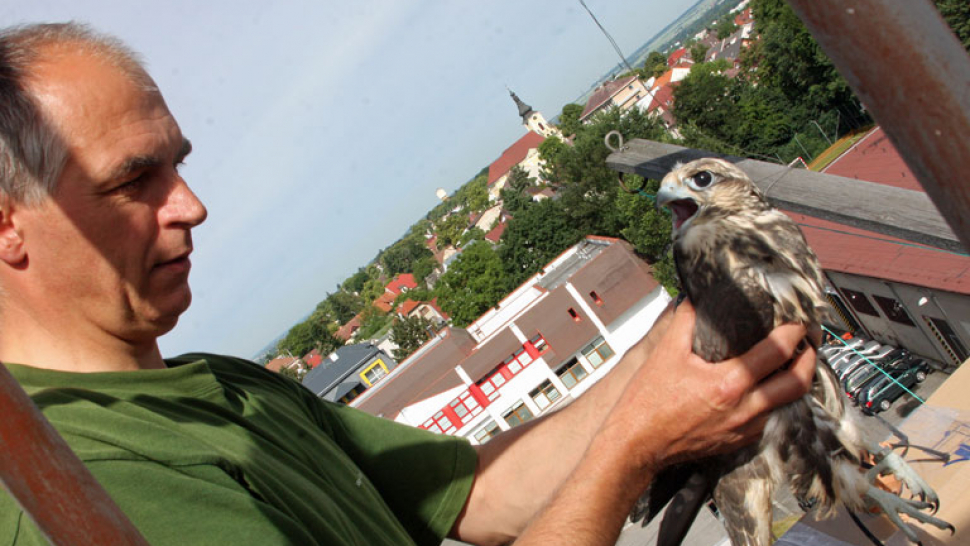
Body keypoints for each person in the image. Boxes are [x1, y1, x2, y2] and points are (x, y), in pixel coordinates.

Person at [0, 23, 815, 546]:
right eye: (134, 179)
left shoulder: (233, 390)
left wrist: (677, 345)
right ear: (8, 224)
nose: (193, 205)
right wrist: (642, 443)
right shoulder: (82, 491)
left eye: (180, 163)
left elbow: (481, 497)